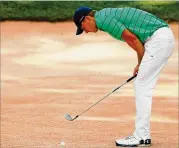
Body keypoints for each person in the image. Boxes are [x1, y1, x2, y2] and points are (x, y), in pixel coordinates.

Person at [73, 6, 175, 147]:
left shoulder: (104, 20)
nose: (85, 31)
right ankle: (142, 136)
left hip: (158, 40)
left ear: (88, 18)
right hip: (160, 38)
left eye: (83, 27)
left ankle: (141, 137)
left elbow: (132, 39)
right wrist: (140, 64)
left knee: (141, 85)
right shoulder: (105, 15)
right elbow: (135, 39)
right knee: (142, 84)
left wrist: (141, 63)